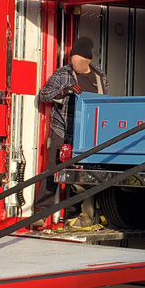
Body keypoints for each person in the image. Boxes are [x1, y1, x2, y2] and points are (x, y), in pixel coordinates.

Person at [34, 36, 108, 227]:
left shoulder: (100, 77)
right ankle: (41, 213)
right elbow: (44, 95)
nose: (74, 65)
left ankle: (74, 215)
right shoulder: (62, 73)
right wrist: (63, 92)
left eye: (78, 62)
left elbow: (106, 102)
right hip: (63, 128)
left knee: (82, 173)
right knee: (53, 169)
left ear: (88, 60)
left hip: (88, 132)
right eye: (72, 61)